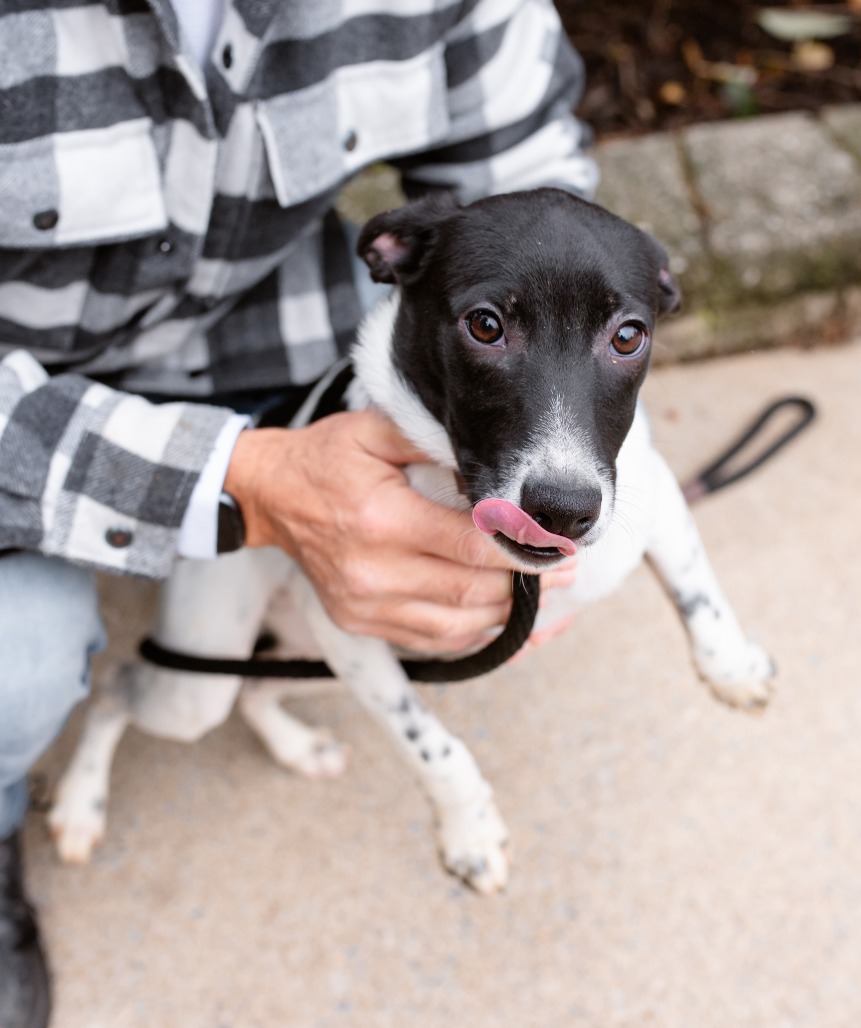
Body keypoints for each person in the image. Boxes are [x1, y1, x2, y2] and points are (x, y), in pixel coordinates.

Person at [0, 2, 596, 1024]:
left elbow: (542, 195)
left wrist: (577, 427)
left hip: (267, 348)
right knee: (17, 665)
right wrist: (248, 477)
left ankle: (248, 668)